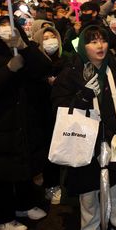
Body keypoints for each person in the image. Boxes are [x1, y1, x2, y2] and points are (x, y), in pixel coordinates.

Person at [51, 25, 116, 229]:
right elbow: (58, 107)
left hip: (115, 136)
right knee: (88, 193)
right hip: (84, 139)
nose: (100, 46)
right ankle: (91, 225)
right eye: (93, 41)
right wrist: (83, 96)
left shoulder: (115, 66)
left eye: (103, 40)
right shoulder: (71, 71)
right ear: (83, 46)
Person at [0, 17, 50, 230]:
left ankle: (25, 205)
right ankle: (2, 218)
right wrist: (8, 70)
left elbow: (43, 68)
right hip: (1, 123)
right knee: (2, 175)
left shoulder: (25, 48)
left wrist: (24, 48)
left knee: (24, 167)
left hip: (25, 120)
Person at [31, 25, 66, 205]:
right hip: (43, 115)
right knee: (49, 151)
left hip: (63, 114)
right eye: (45, 38)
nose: (50, 40)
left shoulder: (65, 60)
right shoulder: (34, 65)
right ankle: (51, 185)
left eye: (53, 36)